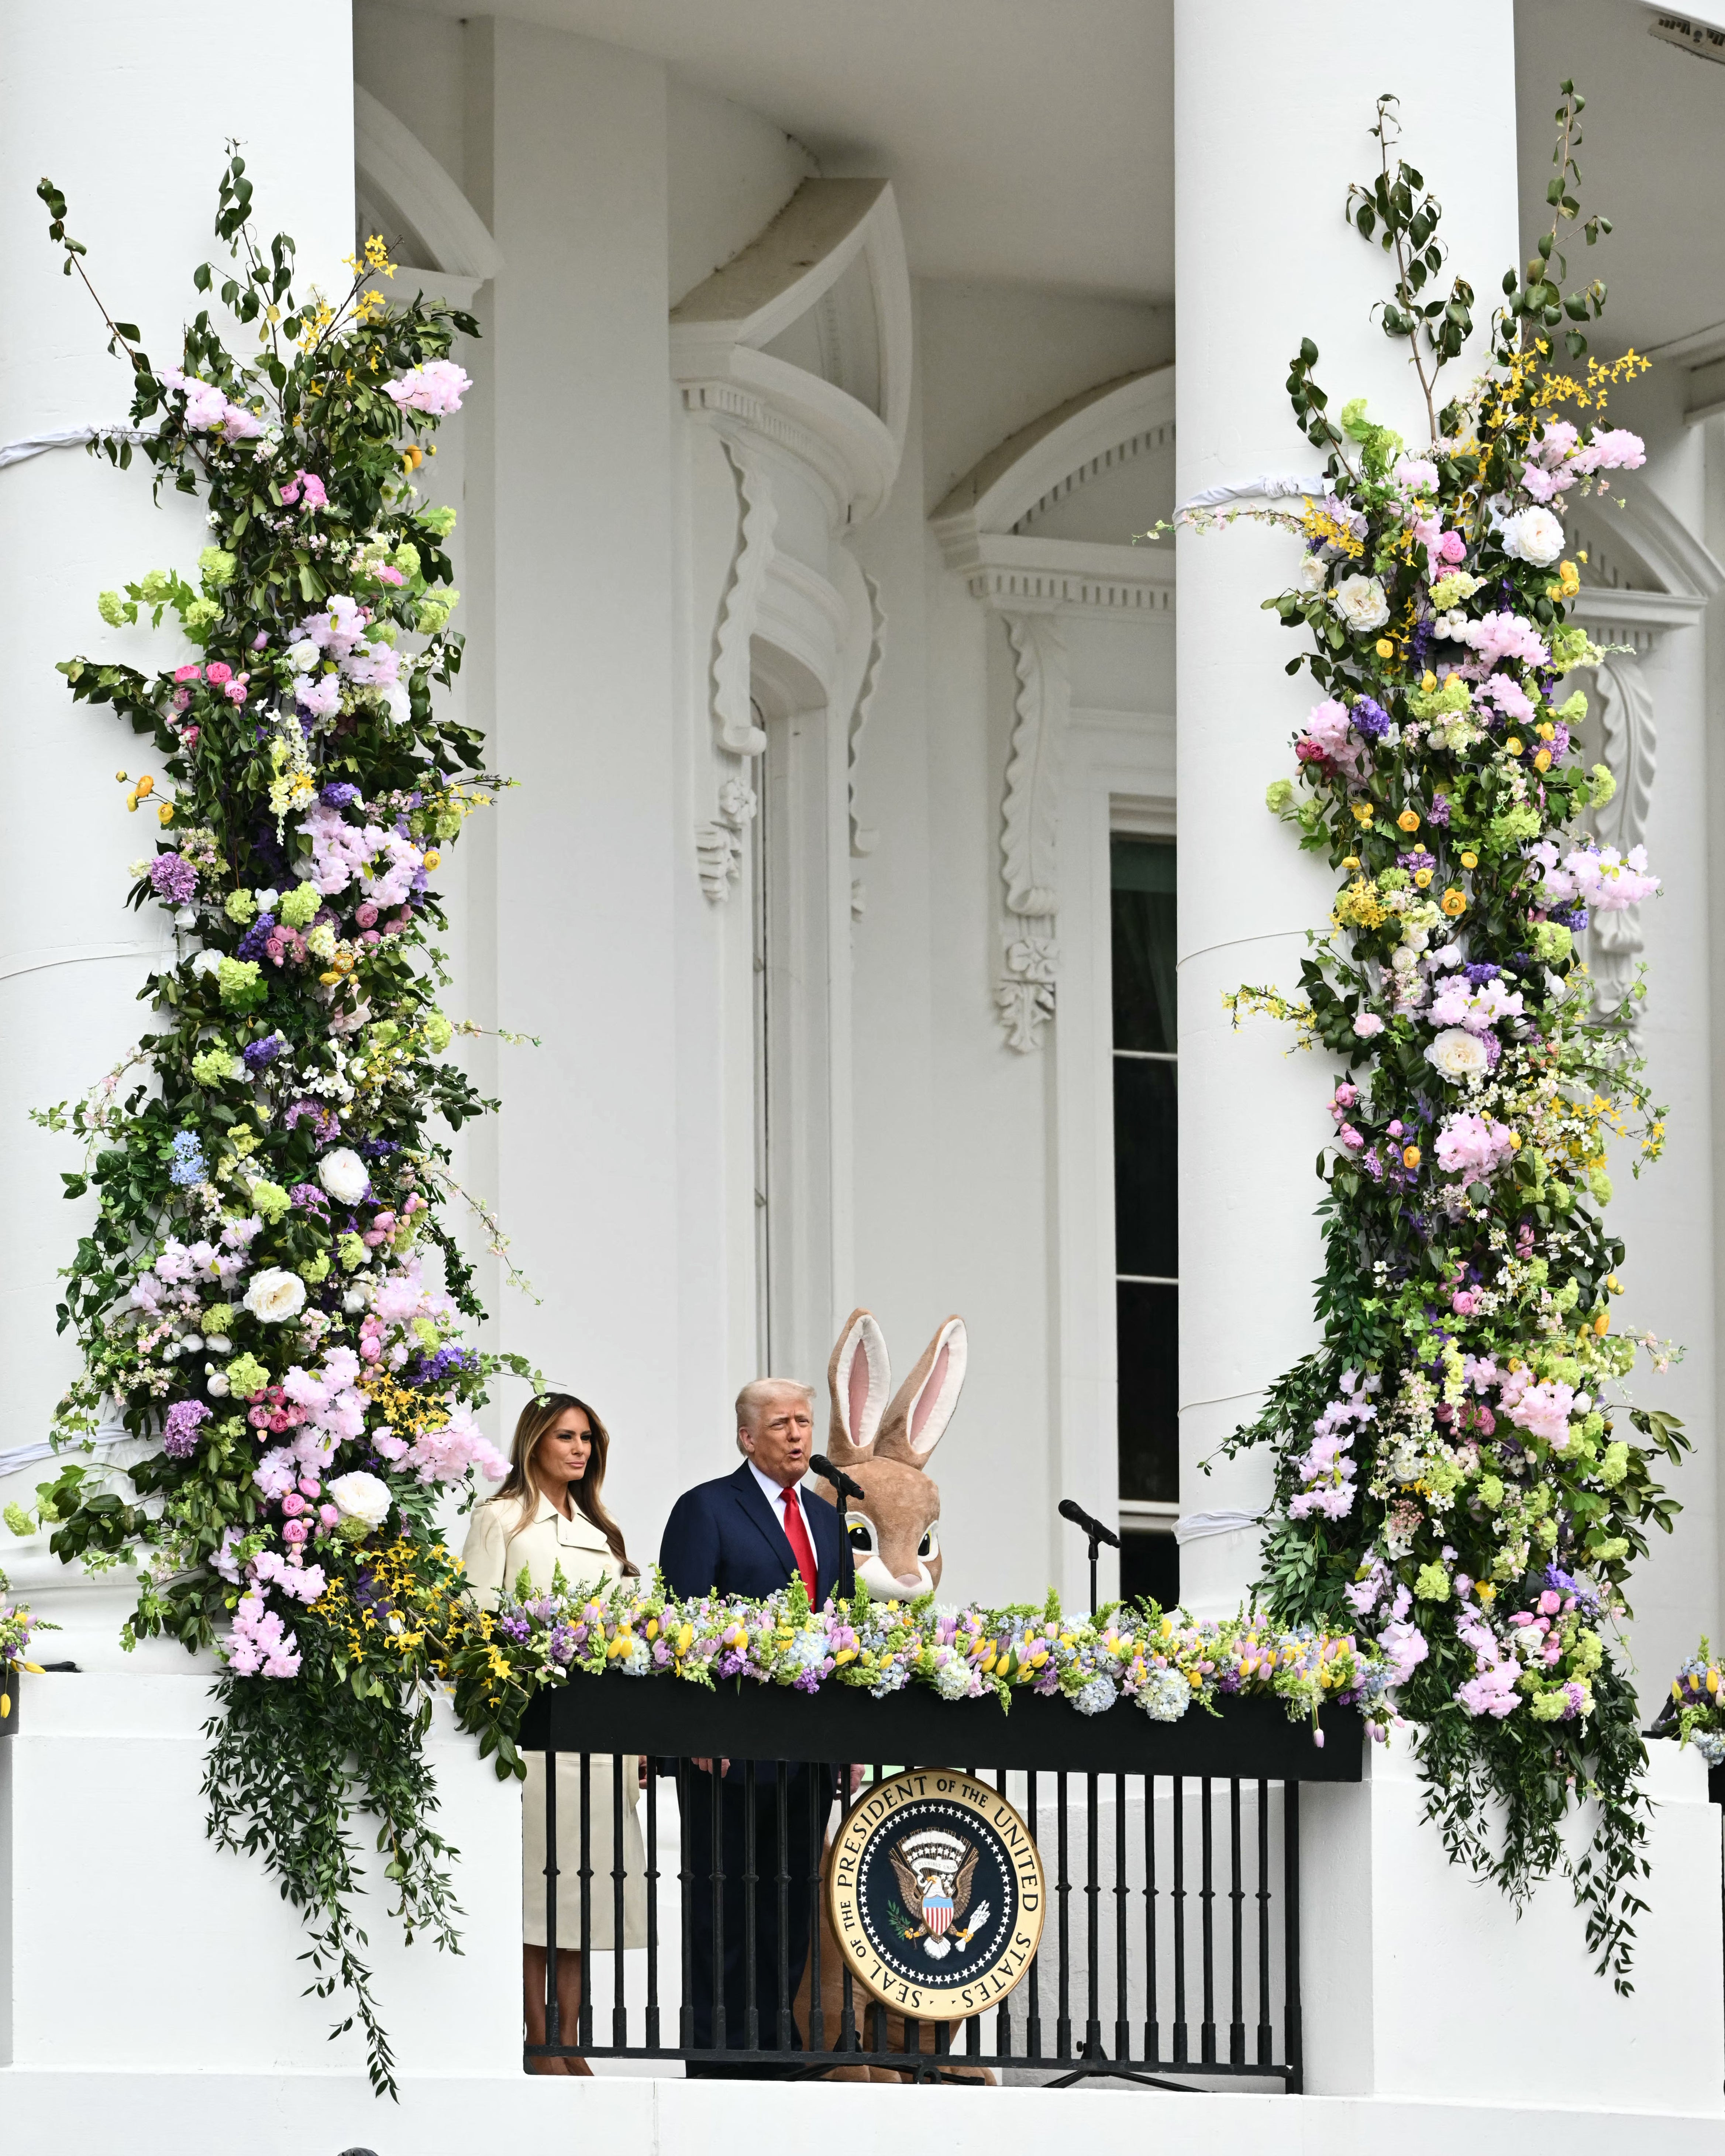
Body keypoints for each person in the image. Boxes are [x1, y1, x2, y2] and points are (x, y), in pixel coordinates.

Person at [658, 1380, 855, 2077]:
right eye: (781, 1424)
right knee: (723, 1905)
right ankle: (718, 2056)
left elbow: (841, 1637)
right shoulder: (706, 1508)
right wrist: (696, 1728)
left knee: (791, 1900)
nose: (798, 1435)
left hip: (805, 1755)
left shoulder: (830, 1522)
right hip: (726, 1753)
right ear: (747, 1438)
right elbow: (680, 1627)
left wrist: (844, 1745)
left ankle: (778, 2047)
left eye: (804, 1421)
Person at [463, 1393, 648, 2075]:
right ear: (534, 1441)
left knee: (584, 1890)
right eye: (566, 1437)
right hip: (535, 1736)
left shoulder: (604, 1531)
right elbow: (474, 1626)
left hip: (598, 1739)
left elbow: (629, 1641)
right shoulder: (502, 1520)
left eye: (588, 1440)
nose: (580, 1449)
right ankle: (537, 2036)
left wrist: (635, 1744)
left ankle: (571, 2037)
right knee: (536, 1892)